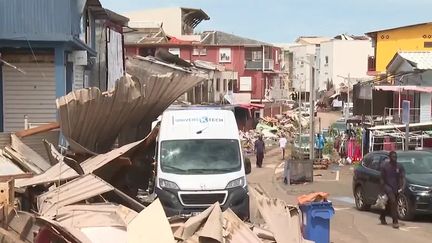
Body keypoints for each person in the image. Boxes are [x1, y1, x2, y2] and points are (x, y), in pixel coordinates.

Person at [380, 151, 406, 229]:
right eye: (393, 157)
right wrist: (383, 189)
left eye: (396, 157)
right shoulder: (385, 166)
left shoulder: (399, 166)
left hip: (396, 188)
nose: (394, 158)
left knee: (390, 204)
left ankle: (382, 216)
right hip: (388, 187)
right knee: (393, 202)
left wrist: (402, 187)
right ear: (390, 157)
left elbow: (403, 178)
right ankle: (395, 221)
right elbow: (382, 179)